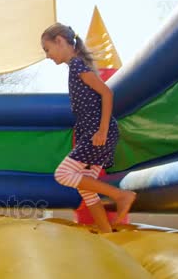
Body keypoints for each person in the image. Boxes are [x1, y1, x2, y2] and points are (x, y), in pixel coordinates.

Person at [40, 23, 135, 233]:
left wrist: (101, 130)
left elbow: (107, 93)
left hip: (97, 133)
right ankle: (107, 233)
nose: (47, 56)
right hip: (93, 133)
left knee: (63, 174)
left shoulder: (77, 66)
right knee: (86, 189)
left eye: (47, 49)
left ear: (60, 41)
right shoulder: (75, 67)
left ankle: (121, 195)